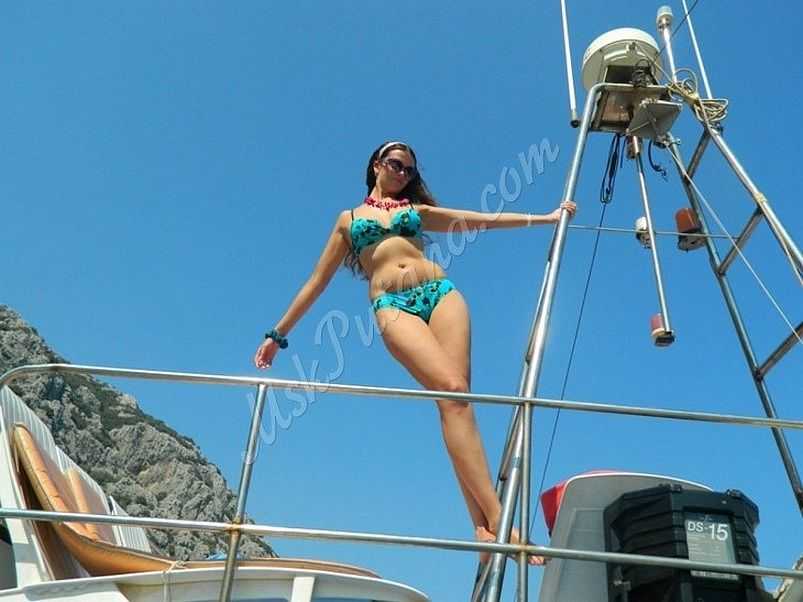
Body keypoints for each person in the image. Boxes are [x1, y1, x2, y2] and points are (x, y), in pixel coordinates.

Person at [254, 140, 576, 565]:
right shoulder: (349, 220)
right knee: (451, 390)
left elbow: (480, 219)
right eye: (396, 165)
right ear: (376, 165)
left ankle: (481, 528)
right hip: (392, 305)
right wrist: (278, 335)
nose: (403, 174)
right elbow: (317, 281)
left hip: (441, 294)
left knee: (456, 401)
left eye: (409, 170)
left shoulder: (415, 211)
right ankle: (500, 519)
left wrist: (546, 218)